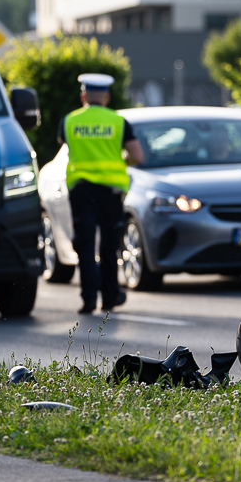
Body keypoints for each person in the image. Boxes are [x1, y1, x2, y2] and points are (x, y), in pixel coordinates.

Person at [57, 74, 144, 314]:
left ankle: (87, 299)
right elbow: (138, 156)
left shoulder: (70, 121)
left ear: (83, 96)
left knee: (84, 244)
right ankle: (110, 296)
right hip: (110, 191)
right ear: (106, 97)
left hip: (81, 191)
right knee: (108, 244)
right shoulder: (118, 122)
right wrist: (121, 159)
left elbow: (63, 144)